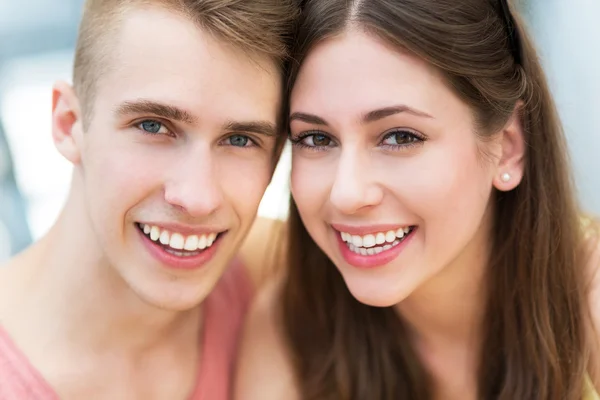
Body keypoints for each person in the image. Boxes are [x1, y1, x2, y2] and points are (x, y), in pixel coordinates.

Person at [235, 0, 600, 399]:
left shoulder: (590, 300)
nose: (348, 193)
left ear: (508, 147)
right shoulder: (290, 327)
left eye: (400, 137)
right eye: (316, 139)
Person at [0, 0, 297, 398]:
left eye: (240, 140)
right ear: (68, 124)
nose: (197, 198)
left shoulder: (273, 272)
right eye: (154, 126)